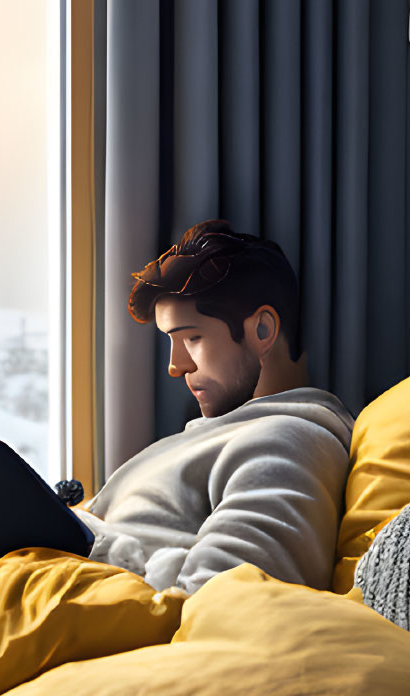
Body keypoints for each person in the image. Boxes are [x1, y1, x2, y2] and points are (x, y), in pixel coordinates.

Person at [74, 219, 353, 594]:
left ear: (263, 331)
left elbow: (228, 603)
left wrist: (95, 546)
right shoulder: (223, 434)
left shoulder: (285, 440)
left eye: (192, 337)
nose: (176, 366)